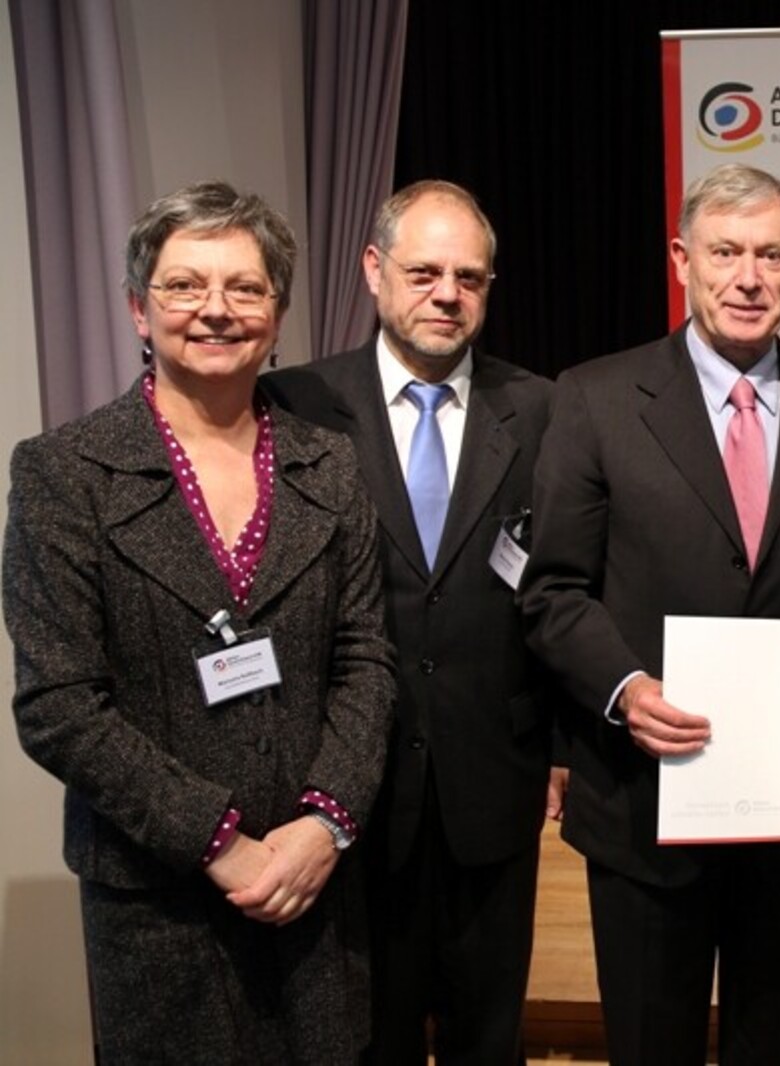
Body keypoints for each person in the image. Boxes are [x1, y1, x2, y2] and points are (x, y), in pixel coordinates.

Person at [4, 181, 395, 1063]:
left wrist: (323, 824)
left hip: (312, 889)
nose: (215, 310)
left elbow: (366, 657)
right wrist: (217, 842)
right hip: (157, 901)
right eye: (185, 286)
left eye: (245, 288)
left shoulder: (329, 466)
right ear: (139, 310)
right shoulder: (65, 473)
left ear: (278, 314)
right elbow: (59, 704)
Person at [520, 163, 780, 1066]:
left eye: (770, 255)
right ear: (683, 259)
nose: (747, 277)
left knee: (774, 1040)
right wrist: (625, 687)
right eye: (725, 252)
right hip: (642, 801)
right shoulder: (595, 398)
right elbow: (554, 589)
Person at [264, 179, 556, 1066]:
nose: (447, 294)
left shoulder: (545, 410)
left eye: (469, 276)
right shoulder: (292, 406)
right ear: (373, 270)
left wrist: (563, 751)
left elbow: (569, 587)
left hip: (494, 785)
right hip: (344, 790)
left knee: (488, 1036)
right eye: (424, 271)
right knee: (363, 1037)